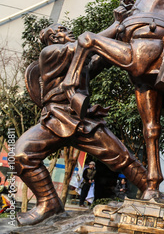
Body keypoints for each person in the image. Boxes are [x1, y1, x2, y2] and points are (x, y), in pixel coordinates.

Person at [14, 23, 148, 226]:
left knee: (122, 158)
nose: (67, 30)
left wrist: (121, 32)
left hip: (82, 119)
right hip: (55, 118)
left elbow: (95, 62)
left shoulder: (78, 60)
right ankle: (49, 203)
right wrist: (116, 25)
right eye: (61, 29)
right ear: (53, 38)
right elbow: (84, 43)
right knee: (22, 155)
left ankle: (151, 189)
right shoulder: (50, 53)